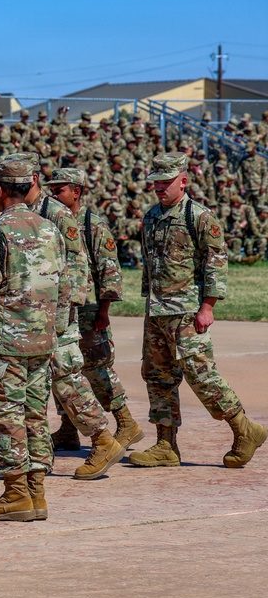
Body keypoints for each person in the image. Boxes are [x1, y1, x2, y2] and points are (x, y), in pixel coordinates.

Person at [129, 153, 266, 468]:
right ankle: (166, 445)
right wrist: (148, 302)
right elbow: (151, 265)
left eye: (166, 182)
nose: (160, 188)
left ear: (183, 181)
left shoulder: (199, 216)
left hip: (188, 312)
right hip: (157, 312)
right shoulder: (150, 217)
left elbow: (216, 261)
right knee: (157, 376)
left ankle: (245, 430)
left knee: (201, 375)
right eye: (156, 183)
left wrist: (208, 306)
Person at [0, 158, 68, 521]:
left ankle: (15, 493)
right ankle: (36, 493)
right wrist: (53, 331)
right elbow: (63, 286)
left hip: (5, 343)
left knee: (4, 416)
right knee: (34, 415)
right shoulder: (50, 229)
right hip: (42, 340)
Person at [16, 152, 125, 480]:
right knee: (41, 380)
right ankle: (39, 453)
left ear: (30, 179)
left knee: (66, 375)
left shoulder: (57, 213)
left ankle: (102, 439)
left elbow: (78, 267)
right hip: (32, 313)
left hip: (56, 314)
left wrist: (65, 313)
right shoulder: (28, 212)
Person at [45, 168, 143, 450]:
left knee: (98, 369)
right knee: (64, 369)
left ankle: (126, 423)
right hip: (65, 309)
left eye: (60, 189)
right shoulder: (53, 221)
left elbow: (109, 270)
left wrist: (104, 311)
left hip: (90, 310)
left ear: (76, 192)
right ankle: (68, 428)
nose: (55, 194)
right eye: (52, 189)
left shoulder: (93, 224)